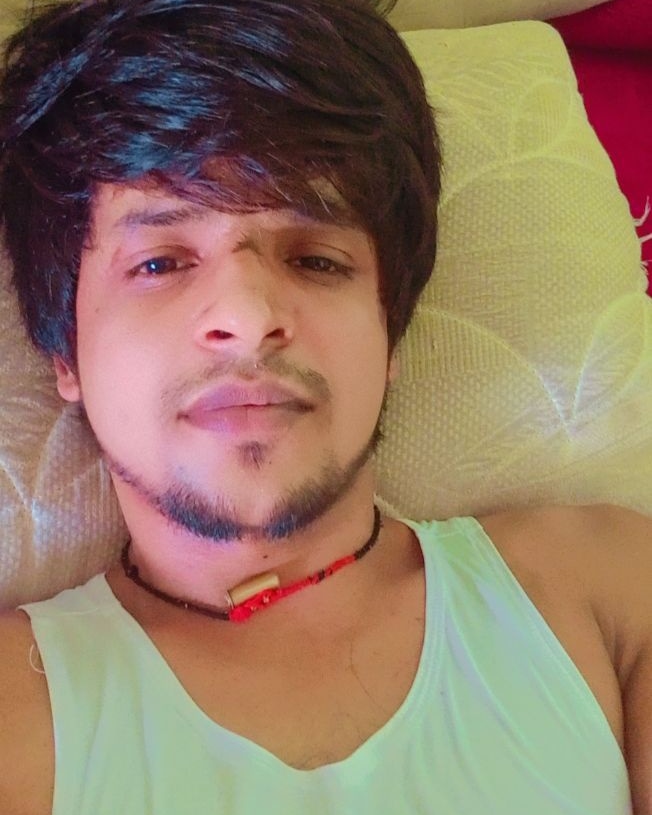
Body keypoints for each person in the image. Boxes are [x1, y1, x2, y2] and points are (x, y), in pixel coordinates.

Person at [0, 1, 650, 813]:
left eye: (316, 259)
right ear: (65, 353)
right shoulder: (16, 711)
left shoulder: (608, 593)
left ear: (391, 333)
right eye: (161, 261)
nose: (248, 314)